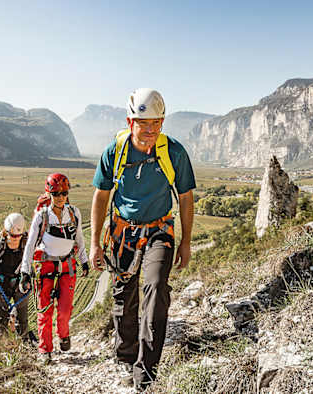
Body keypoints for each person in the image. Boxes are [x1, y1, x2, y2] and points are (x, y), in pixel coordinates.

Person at [90, 88, 195, 391]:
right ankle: (125, 355)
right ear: (130, 120)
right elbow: (101, 195)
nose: (150, 131)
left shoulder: (173, 151)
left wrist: (186, 242)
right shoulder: (115, 151)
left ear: (162, 122)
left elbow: (186, 197)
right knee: (124, 296)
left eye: (156, 123)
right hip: (123, 233)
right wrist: (95, 242)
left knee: (155, 286)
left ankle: (145, 371)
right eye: (143, 123)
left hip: (159, 230)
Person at [19, 173, 89, 364]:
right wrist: (25, 271)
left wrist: (84, 260)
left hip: (67, 264)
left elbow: (79, 238)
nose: (61, 197)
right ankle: (45, 349)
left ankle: (64, 335)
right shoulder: (42, 217)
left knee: (65, 309)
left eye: (64, 193)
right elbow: (30, 245)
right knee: (45, 310)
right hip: (45, 266)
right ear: (49, 193)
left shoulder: (73, 213)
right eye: (57, 193)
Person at [0, 213, 30, 341]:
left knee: (22, 320)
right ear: (6, 232)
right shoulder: (0, 244)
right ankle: (1, 345)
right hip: (2, 285)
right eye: (12, 235)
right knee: (1, 322)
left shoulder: (26, 243)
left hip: (20, 285)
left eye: (18, 235)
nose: (15, 238)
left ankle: (24, 345)